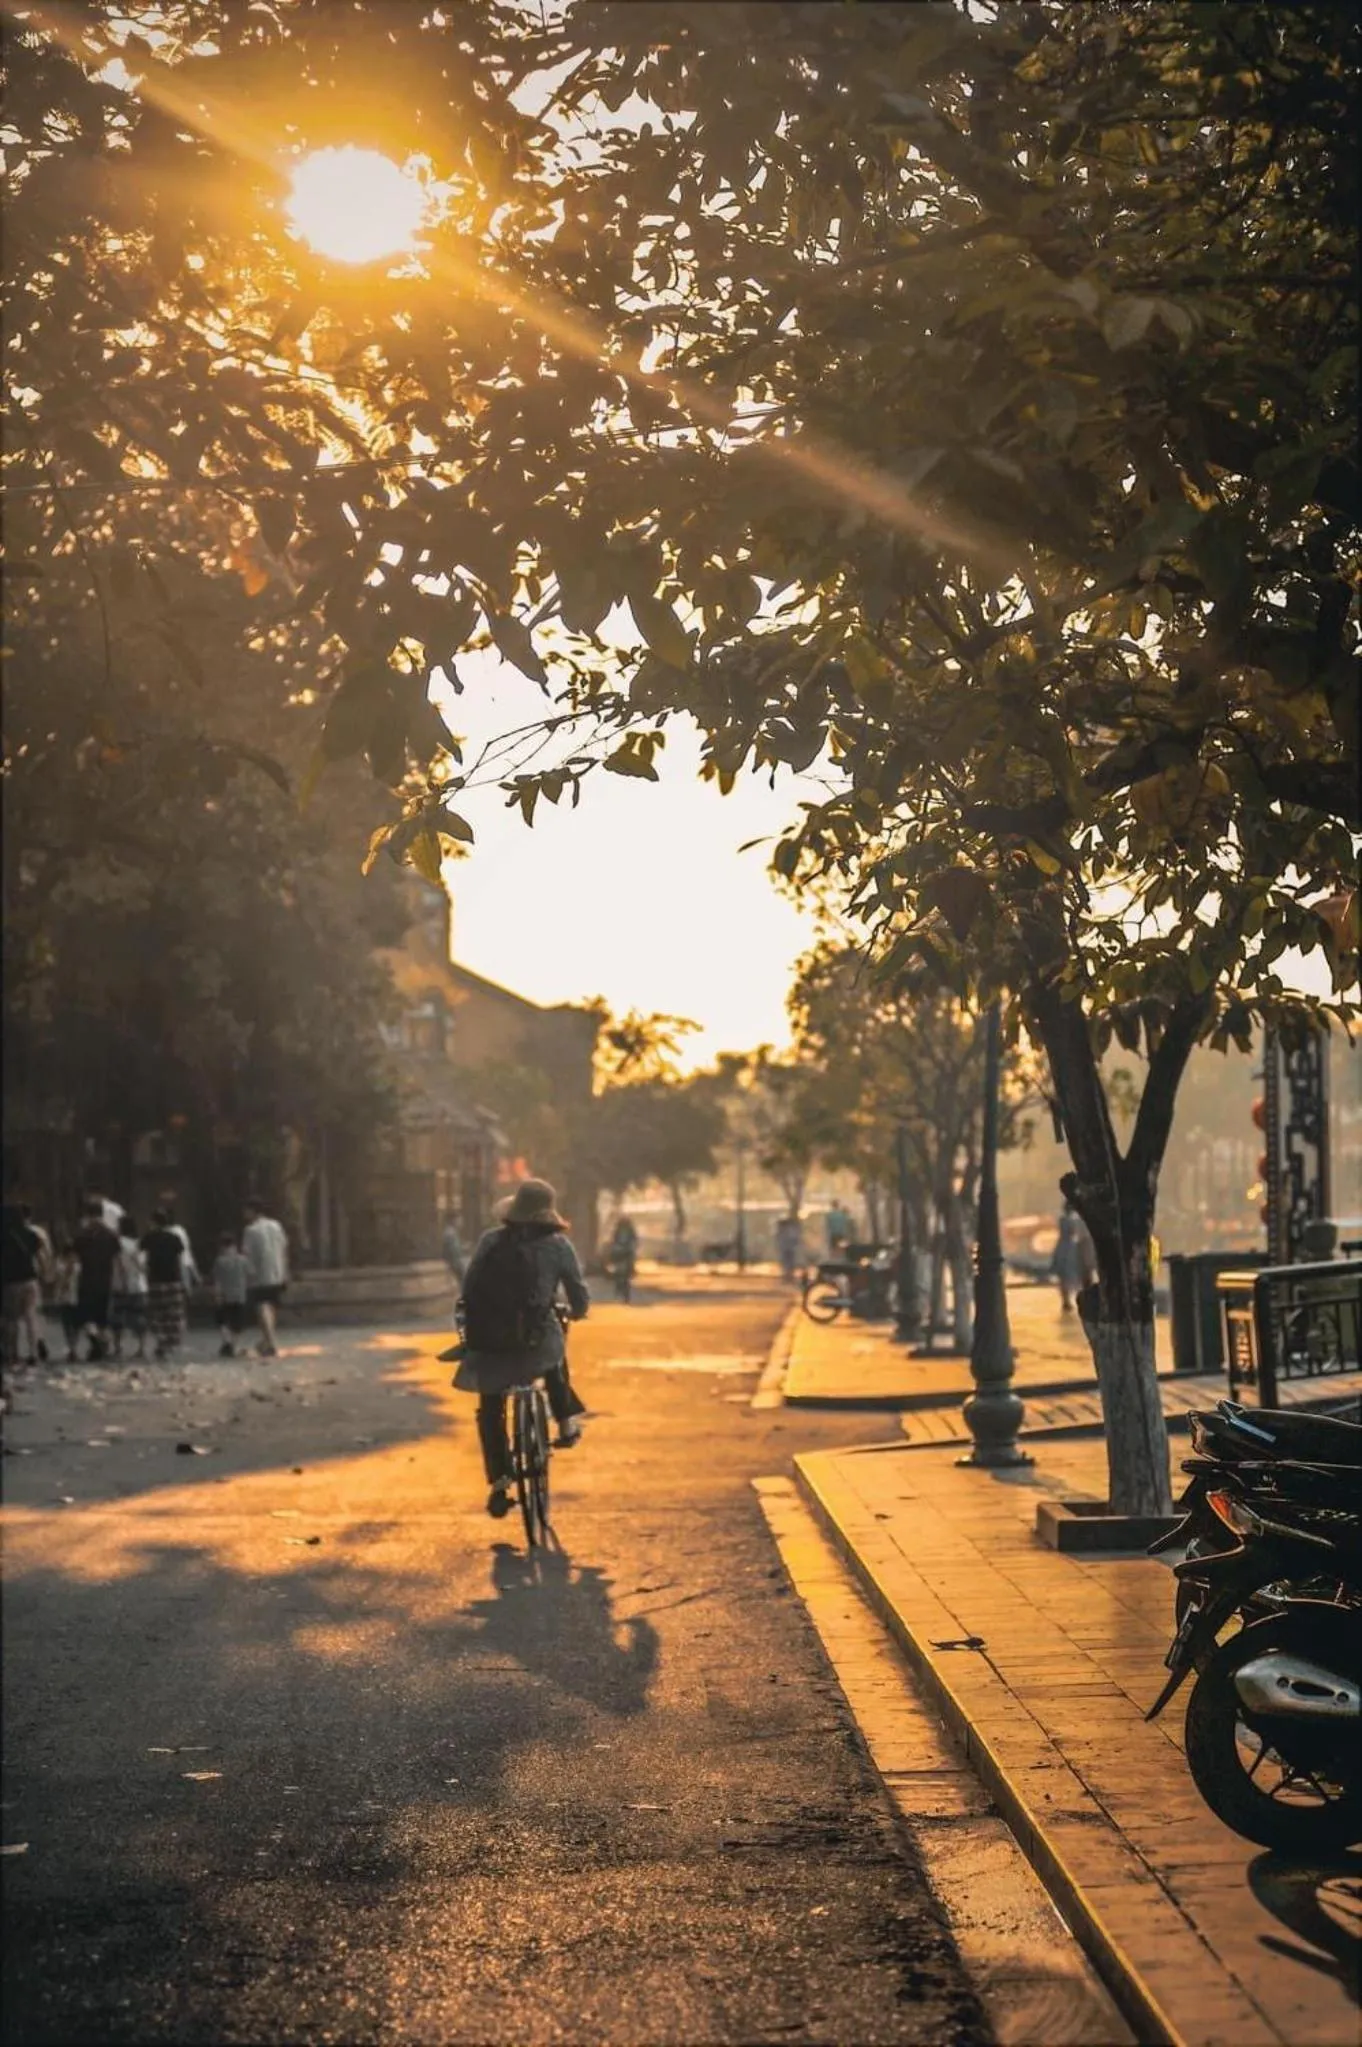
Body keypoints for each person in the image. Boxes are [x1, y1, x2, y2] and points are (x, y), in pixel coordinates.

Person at [446, 1177, 589, 1519]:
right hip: (536, 1344)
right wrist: (576, 1312)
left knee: (491, 1407)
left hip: (491, 1343)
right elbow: (579, 1298)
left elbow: (468, 1289)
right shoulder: (558, 1246)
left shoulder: (490, 1241)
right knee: (554, 1347)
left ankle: (499, 1483)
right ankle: (566, 1422)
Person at [2, 1203, 50, 1364]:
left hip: (11, 1282)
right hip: (30, 1279)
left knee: (11, 1319)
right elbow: (40, 1256)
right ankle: (33, 1352)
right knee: (31, 1316)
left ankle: (11, 1353)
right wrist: (45, 1274)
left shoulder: (4, 1236)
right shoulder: (30, 1234)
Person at [242, 1197, 289, 1357]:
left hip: (259, 1273)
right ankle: (268, 1341)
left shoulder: (251, 1230)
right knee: (271, 1305)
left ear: (252, 1211)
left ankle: (271, 1341)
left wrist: (248, 1275)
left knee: (262, 1306)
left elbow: (248, 1255)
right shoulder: (276, 1225)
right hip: (277, 1271)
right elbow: (284, 1246)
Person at [73, 1198, 120, 1360]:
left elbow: (75, 1256)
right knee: (103, 1318)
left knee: (86, 1317)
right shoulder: (111, 1234)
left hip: (87, 1280)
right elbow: (116, 1256)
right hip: (105, 1279)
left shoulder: (83, 1234)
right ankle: (103, 1345)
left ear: (88, 1214)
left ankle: (95, 1342)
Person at [141, 1207, 188, 1359]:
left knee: (157, 1313)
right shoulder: (175, 1238)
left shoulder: (148, 1238)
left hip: (155, 1280)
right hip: (173, 1280)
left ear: (153, 1222)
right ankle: (171, 1342)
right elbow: (180, 1260)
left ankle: (161, 1341)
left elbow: (140, 1256)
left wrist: (144, 1271)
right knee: (173, 1313)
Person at [110, 1214, 149, 1362]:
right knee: (139, 1317)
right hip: (139, 1285)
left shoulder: (118, 1243)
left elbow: (119, 1263)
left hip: (121, 1284)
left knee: (117, 1317)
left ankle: (118, 1347)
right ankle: (142, 1347)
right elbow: (144, 1265)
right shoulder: (139, 1244)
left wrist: (123, 1281)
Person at [212, 1232, 250, 1357]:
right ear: (235, 1245)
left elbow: (217, 1280)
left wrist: (216, 1295)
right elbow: (251, 1274)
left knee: (222, 1320)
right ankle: (234, 1345)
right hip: (240, 1295)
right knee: (238, 1323)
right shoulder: (243, 1260)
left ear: (222, 1246)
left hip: (224, 1295)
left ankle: (226, 1341)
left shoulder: (219, 1261)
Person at [51, 1236, 81, 1361]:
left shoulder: (59, 1262)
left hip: (64, 1295)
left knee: (66, 1323)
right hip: (75, 1294)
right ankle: (73, 1347)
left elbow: (57, 1279)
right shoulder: (78, 1262)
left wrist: (56, 1294)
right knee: (75, 1323)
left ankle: (71, 1347)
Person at [605, 1213, 638, 1303]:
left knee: (627, 1274)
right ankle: (618, 1290)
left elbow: (634, 1241)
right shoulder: (617, 1230)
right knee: (618, 1274)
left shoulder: (631, 1230)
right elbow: (613, 1241)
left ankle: (625, 1294)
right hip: (619, 1254)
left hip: (627, 1253)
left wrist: (631, 1247)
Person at [774, 1213, 804, 1284]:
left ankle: (788, 1275)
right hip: (789, 1247)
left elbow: (778, 1239)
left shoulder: (782, 1230)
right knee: (789, 1262)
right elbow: (796, 1239)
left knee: (787, 1262)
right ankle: (789, 1275)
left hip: (786, 1247)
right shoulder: (792, 1229)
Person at [441, 1212, 465, 1285]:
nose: (461, 1222)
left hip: (456, 1260)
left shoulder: (452, 1232)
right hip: (455, 1261)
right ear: (454, 1220)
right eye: (459, 1220)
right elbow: (452, 1250)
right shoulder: (450, 1233)